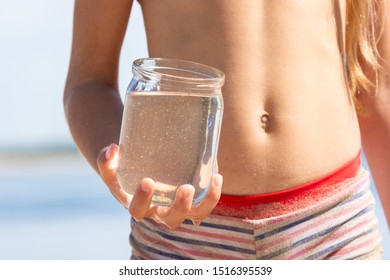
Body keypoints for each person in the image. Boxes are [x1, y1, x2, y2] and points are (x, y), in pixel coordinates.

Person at [64, 0, 389, 259]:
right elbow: (90, 82)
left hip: (334, 228)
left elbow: (380, 91)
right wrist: (123, 170)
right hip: (180, 232)